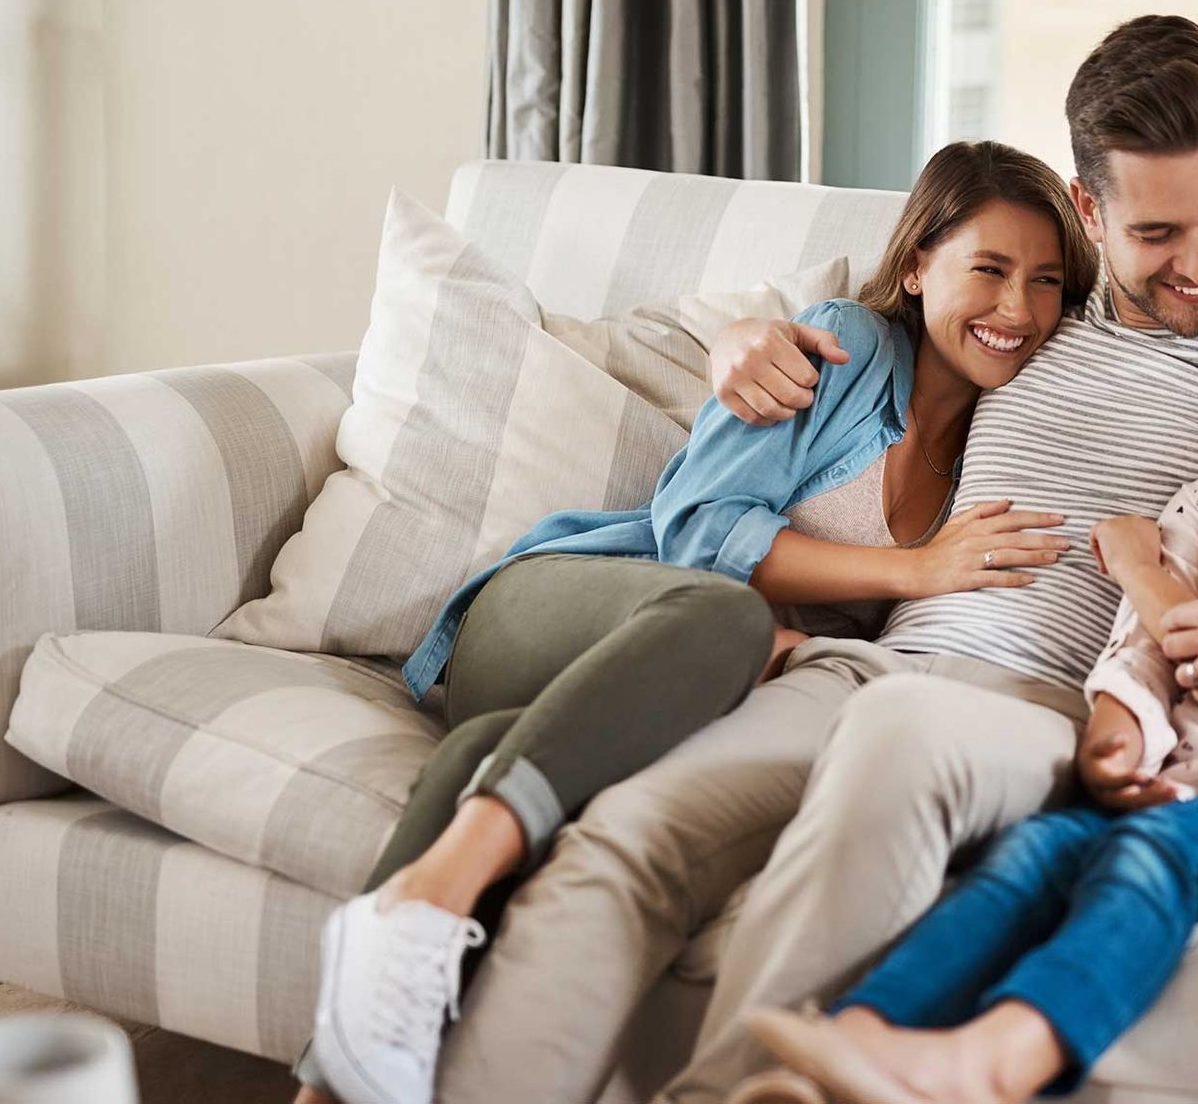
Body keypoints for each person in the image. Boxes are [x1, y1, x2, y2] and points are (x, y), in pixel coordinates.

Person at [426, 16, 1198, 1104]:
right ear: (1091, 214)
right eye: (1155, 236)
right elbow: (857, 329)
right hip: (872, 669)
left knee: (900, 735)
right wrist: (734, 342)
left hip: (1056, 705)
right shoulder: (1028, 315)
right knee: (626, 834)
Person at [292, 139, 1098, 1104]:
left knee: (495, 764)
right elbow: (698, 530)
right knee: (724, 614)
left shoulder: (1007, 435)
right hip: (570, 608)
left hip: (669, 696)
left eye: (1047, 282)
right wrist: (909, 570)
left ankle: (351, 1044)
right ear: (919, 263)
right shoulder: (837, 348)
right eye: (992, 270)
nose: (1018, 309)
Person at [736, 276, 1198, 1104]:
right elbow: (1138, 648)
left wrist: (1138, 566)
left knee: (1149, 857)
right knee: (1037, 852)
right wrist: (1117, 727)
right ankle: (859, 1039)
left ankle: (991, 1066)